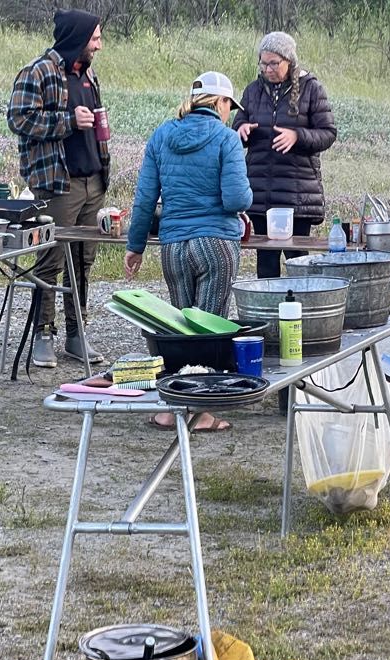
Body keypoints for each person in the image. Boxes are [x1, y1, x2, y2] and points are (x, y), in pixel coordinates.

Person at [124, 72, 253, 432]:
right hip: (215, 244)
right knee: (209, 332)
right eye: (230, 105)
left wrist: (135, 247)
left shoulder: (162, 135)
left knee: (180, 330)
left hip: (174, 247)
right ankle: (203, 414)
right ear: (221, 103)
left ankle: (172, 408)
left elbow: (145, 199)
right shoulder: (226, 139)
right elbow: (237, 199)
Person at [7, 9, 110, 368]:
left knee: (83, 261)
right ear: (77, 39)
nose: (98, 45)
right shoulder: (38, 72)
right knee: (51, 258)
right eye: (94, 39)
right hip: (57, 184)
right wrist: (68, 121)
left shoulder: (88, 74)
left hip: (92, 181)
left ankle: (76, 333)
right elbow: (18, 119)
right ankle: (43, 334)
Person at [231, 31, 336, 278]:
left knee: (298, 263)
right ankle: (267, 314)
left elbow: (328, 133)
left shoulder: (312, 89)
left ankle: (303, 312)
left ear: (289, 61)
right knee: (265, 262)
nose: (268, 69)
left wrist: (297, 136)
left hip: (297, 195)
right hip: (259, 193)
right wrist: (241, 130)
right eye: (263, 63)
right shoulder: (252, 91)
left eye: (274, 63)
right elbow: (238, 124)